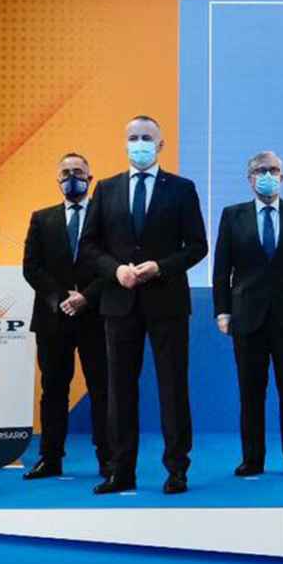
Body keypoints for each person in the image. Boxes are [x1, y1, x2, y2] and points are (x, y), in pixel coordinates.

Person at [78, 116, 208, 495]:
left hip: (167, 301)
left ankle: (177, 469)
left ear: (161, 145)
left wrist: (161, 267)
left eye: (146, 138)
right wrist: (115, 270)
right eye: (133, 137)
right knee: (120, 389)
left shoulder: (182, 189)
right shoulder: (106, 189)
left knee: (173, 387)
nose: (139, 143)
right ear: (124, 143)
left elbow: (198, 245)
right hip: (119, 303)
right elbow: (89, 246)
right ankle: (121, 470)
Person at [212, 151, 283, 477]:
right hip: (247, 318)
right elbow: (222, 270)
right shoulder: (232, 216)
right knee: (251, 393)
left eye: (274, 170)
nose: (267, 175)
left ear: (282, 177)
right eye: (261, 170)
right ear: (249, 178)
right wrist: (222, 311)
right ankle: (252, 459)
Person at [21, 152, 111, 481]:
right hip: (52, 318)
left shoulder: (106, 221)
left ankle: (108, 458)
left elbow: (113, 265)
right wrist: (61, 299)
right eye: (65, 172)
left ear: (90, 177)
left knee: (103, 389)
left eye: (78, 172)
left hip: (97, 316)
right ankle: (50, 458)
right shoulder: (42, 218)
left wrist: (86, 297)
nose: (72, 177)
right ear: (57, 179)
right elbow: (31, 267)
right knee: (53, 390)